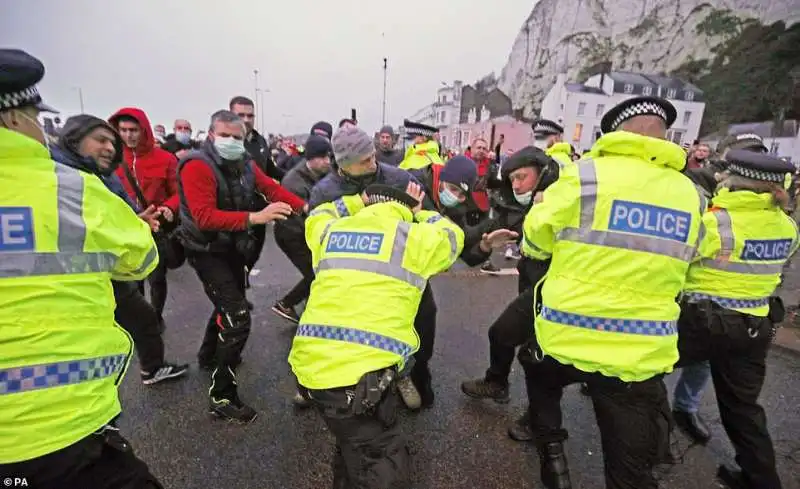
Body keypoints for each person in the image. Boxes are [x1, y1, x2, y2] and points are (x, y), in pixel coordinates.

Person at [519, 96, 706, 489]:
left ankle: (553, 461)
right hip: (639, 352)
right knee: (629, 471)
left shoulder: (584, 176)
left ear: (615, 132)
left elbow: (536, 239)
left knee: (537, 371)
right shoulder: (691, 194)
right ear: (664, 134)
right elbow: (694, 264)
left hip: (567, 336)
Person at [0, 48, 164, 488]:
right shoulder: (71, 188)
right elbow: (142, 258)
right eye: (36, 114)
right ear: (14, 118)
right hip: (56, 425)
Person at [289, 181, 464, 488]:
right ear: (406, 209)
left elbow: (318, 213)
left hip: (311, 368)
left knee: (352, 446)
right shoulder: (413, 238)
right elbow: (452, 236)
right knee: (382, 460)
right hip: (357, 376)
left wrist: (357, 200)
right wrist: (423, 214)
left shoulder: (332, 232)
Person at [675, 150, 797, 489]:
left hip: (702, 321)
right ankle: (762, 480)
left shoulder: (715, 222)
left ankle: (654, 456)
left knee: (646, 377)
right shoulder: (787, 226)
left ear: (733, 181)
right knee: (743, 409)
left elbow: (679, 261)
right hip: (754, 326)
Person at [176, 110, 306, 422]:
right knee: (237, 318)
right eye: (226, 135)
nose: (232, 141)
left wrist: (306, 207)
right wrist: (256, 218)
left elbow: (271, 188)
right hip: (205, 249)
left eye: (238, 136)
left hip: (231, 247)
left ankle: (208, 355)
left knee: (226, 302)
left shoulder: (244, 163)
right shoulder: (197, 165)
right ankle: (222, 396)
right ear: (211, 134)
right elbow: (204, 215)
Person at [50, 114, 189, 385]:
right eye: (101, 140)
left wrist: (140, 219)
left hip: (110, 268)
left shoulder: (106, 175)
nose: (111, 147)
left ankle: (150, 368)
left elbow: (124, 208)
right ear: (74, 139)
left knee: (146, 312)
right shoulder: (57, 178)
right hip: (73, 279)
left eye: (112, 142)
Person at [400, 154, 520, 408]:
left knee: (424, 320)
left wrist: (486, 245)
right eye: (452, 189)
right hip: (387, 268)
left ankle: (418, 372)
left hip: (415, 275)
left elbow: (464, 248)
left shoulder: (456, 206)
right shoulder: (409, 184)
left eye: (461, 194)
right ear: (441, 178)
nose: (454, 196)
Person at [459, 147, 563, 437]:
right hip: (532, 287)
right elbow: (476, 245)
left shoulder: (567, 202)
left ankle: (538, 420)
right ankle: (497, 383)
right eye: (512, 179)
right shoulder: (516, 210)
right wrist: (482, 245)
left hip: (562, 291)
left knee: (542, 359)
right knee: (502, 334)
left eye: (521, 177)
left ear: (544, 173)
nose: (516, 185)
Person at [109, 107, 180, 330]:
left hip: (155, 228)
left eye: (133, 130)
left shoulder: (166, 159)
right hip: (124, 229)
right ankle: (140, 320)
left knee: (157, 279)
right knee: (132, 280)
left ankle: (155, 317)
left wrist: (169, 207)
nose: (128, 135)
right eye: (123, 130)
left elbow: (180, 192)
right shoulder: (110, 159)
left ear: (144, 131)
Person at [272, 134, 333, 323]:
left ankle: (311, 302)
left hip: (306, 232)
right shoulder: (294, 182)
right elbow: (305, 216)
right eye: (322, 157)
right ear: (310, 158)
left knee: (320, 270)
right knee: (317, 273)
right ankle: (286, 304)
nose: (327, 161)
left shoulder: (322, 174)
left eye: (328, 157)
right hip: (292, 234)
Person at [229, 95, 284, 181]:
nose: (246, 120)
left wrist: (294, 177)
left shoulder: (260, 141)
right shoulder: (224, 143)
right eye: (241, 115)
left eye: (250, 116)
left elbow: (271, 170)